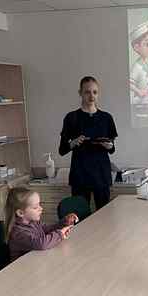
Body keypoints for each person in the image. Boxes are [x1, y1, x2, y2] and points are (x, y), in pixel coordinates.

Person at [59, 76, 118, 210]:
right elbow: (62, 150)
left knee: (104, 215)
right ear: (80, 93)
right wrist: (73, 143)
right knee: (79, 215)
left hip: (101, 175)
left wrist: (109, 146)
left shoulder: (106, 118)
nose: (91, 96)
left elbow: (112, 149)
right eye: (87, 92)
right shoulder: (71, 118)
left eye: (95, 92)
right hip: (80, 175)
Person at [4, 186, 76, 262]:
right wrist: (60, 234)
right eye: (35, 207)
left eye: (39, 204)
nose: (41, 208)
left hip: (37, 261)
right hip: (23, 267)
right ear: (20, 213)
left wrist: (64, 222)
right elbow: (41, 244)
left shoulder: (33, 222)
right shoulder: (18, 233)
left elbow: (48, 229)